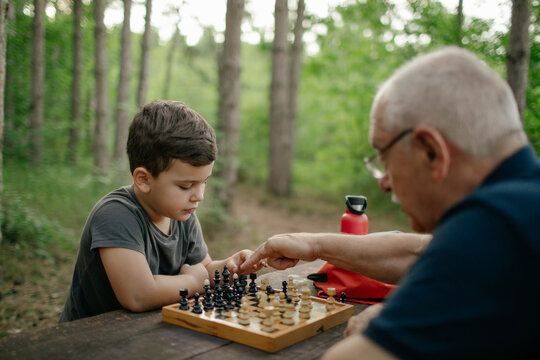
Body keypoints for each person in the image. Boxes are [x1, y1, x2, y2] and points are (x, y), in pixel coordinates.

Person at [240, 47, 540, 359]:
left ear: (430, 152)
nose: (383, 182)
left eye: (385, 158)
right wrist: (310, 243)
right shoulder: (520, 204)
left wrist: (384, 330)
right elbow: (417, 252)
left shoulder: (497, 234)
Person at [60, 100, 263, 322]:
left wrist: (229, 267)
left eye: (204, 182)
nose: (199, 196)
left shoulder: (184, 215)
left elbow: (202, 268)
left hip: (147, 333)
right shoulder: (115, 215)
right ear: (144, 179)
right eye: (186, 186)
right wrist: (193, 284)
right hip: (89, 340)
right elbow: (138, 295)